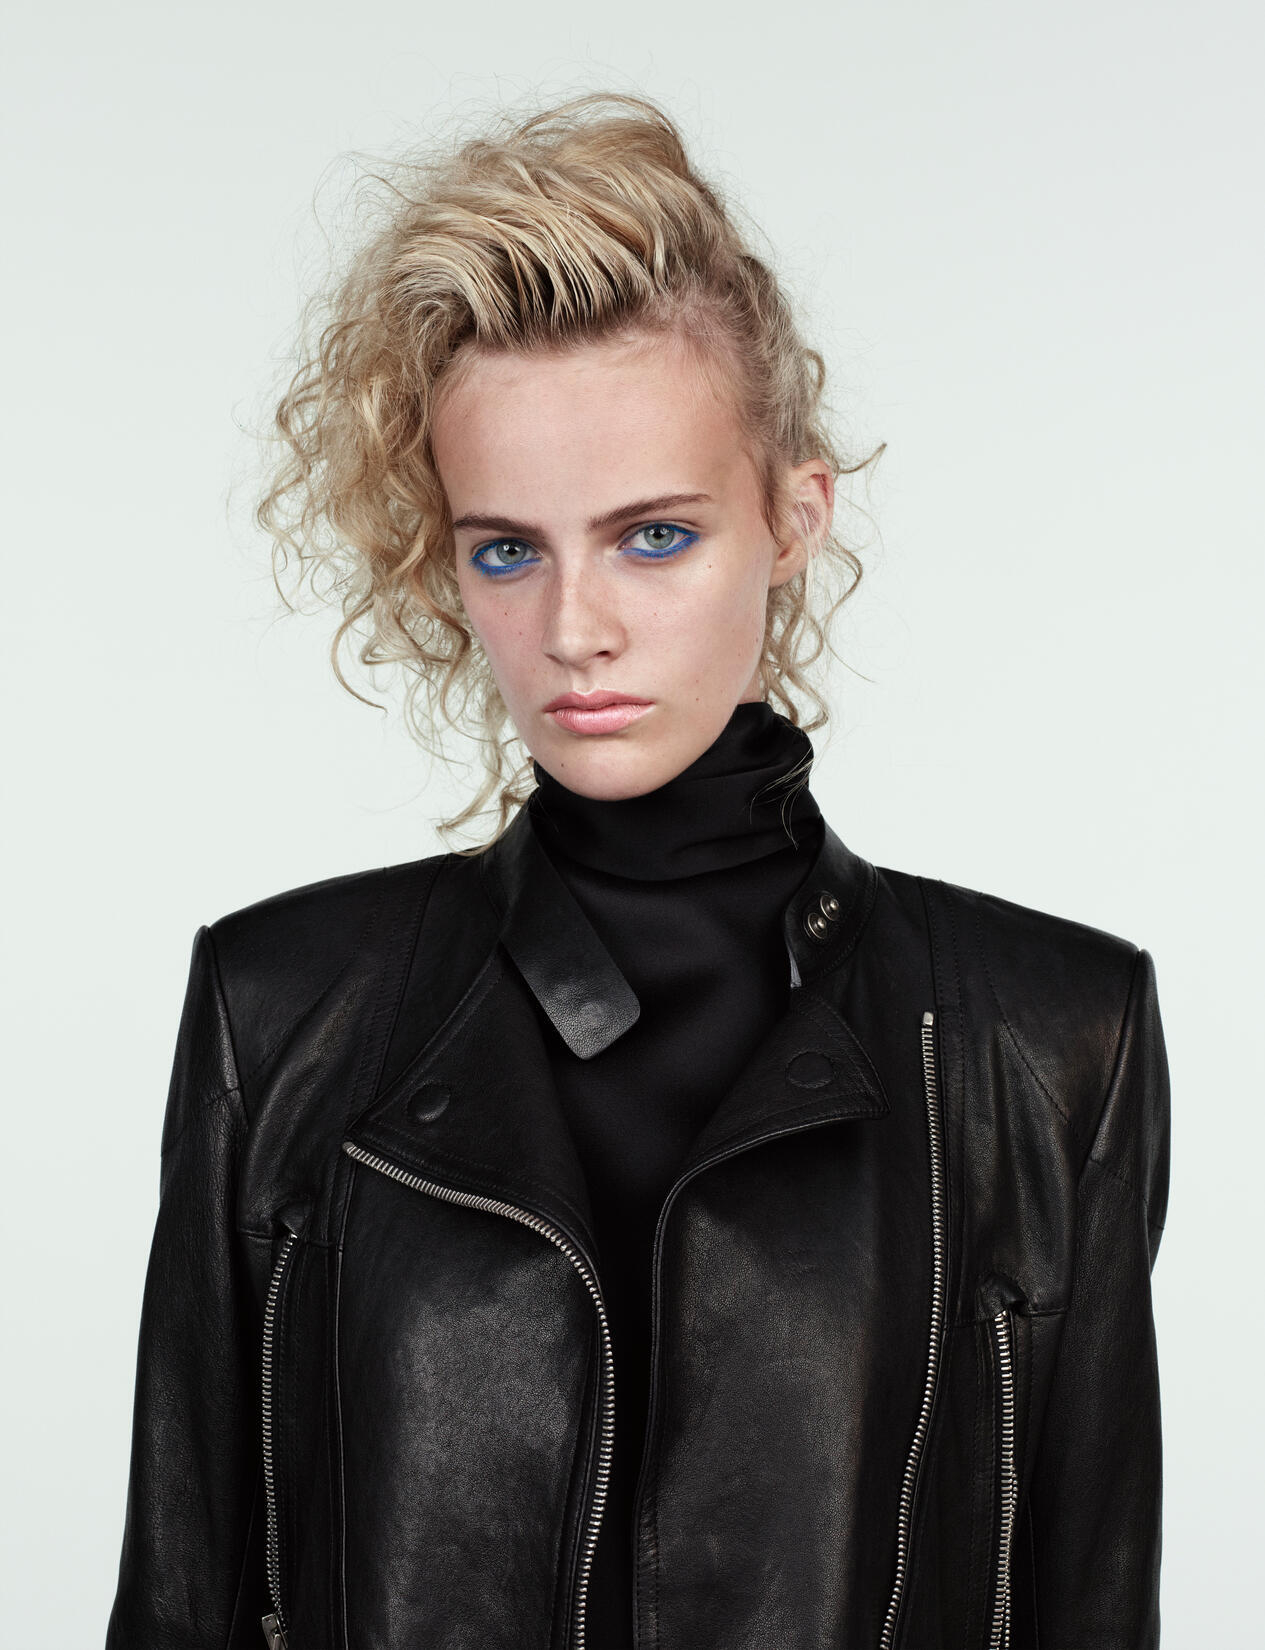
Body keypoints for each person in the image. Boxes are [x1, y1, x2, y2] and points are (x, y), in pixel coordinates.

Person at [105, 92, 1170, 1650]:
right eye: (507, 548)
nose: (574, 628)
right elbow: (181, 1594)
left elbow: (1087, 1600)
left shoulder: (1049, 1035)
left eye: (653, 537)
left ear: (791, 517)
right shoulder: (280, 1010)